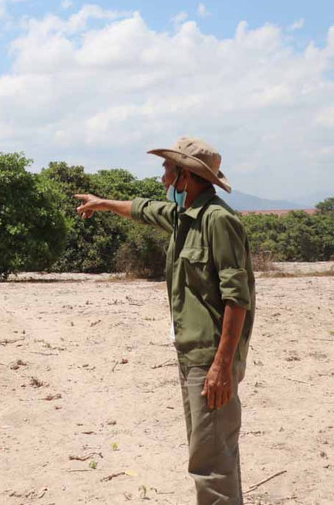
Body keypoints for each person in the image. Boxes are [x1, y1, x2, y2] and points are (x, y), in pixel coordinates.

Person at [74, 137, 255, 505]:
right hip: (192, 355)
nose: (163, 180)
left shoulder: (218, 221)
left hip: (211, 359)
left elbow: (238, 299)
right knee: (209, 451)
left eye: (167, 171)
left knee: (211, 460)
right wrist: (104, 203)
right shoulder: (182, 217)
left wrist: (222, 364)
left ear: (186, 177)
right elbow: (143, 209)